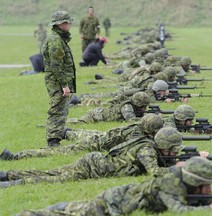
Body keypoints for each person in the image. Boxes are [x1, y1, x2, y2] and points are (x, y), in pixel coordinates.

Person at [17, 157, 212, 215]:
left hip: (117, 201)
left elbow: (196, 198)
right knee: (65, 212)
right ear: (194, 182)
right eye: (206, 186)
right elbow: (179, 209)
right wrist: (210, 209)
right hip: (108, 205)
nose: (208, 190)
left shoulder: (182, 183)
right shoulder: (169, 186)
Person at [0, 127, 186, 188]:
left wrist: (175, 162)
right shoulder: (147, 150)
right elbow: (155, 172)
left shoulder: (148, 147)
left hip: (93, 162)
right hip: (92, 168)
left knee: (50, 172)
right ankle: (10, 183)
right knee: (53, 179)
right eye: (174, 149)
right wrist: (178, 168)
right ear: (165, 146)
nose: (176, 152)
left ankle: (7, 175)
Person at [0, 114, 163, 160]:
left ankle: (66, 132)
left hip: (101, 139)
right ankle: (16, 156)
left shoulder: (138, 128)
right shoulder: (136, 134)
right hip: (95, 145)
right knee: (58, 153)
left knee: (84, 133)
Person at [42, 11, 76, 147]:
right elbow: (56, 65)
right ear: (61, 24)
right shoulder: (55, 40)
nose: (70, 24)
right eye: (68, 22)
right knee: (57, 110)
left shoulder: (59, 37)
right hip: (57, 82)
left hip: (59, 81)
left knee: (61, 110)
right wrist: (64, 85)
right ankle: (53, 140)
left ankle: (56, 137)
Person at [67, 92, 150, 124]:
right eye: (143, 106)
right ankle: (64, 121)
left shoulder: (133, 107)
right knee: (79, 123)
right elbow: (131, 120)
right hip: (95, 115)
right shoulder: (127, 107)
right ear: (137, 104)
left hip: (99, 114)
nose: (144, 109)